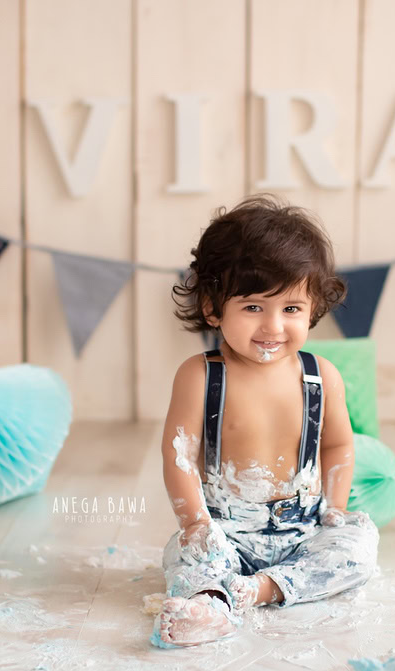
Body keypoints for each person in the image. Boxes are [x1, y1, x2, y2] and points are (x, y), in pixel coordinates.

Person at [153, 194, 379, 648]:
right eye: (254, 307)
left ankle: (264, 589)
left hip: (304, 529)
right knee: (186, 558)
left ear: (312, 308)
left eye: (291, 309)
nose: (274, 326)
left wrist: (335, 508)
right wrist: (197, 524)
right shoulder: (201, 376)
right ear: (214, 308)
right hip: (226, 529)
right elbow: (178, 456)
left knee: (358, 551)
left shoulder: (320, 377)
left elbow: (337, 446)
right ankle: (211, 603)